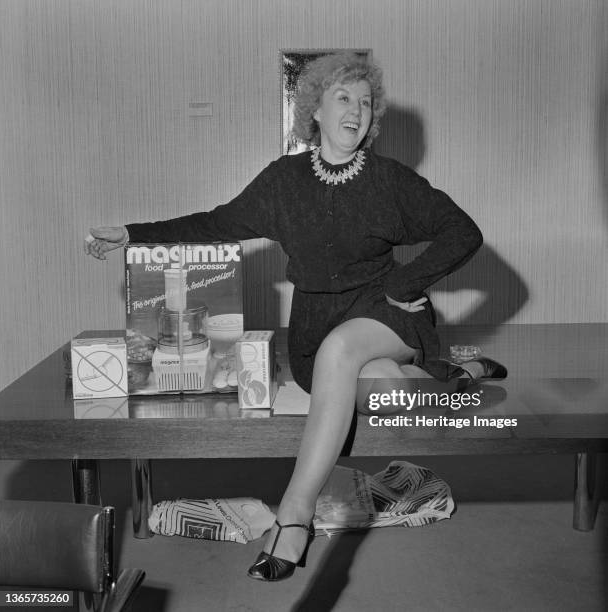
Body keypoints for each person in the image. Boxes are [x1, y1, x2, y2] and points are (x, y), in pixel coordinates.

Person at [85, 52, 506, 582]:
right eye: (343, 98)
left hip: (384, 313)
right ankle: (460, 377)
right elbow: (216, 224)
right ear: (316, 112)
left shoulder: (391, 182)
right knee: (386, 392)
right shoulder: (283, 182)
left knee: (343, 352)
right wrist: (132, 234)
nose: (356, 110)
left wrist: (405, 283)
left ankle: (294, 516)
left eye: (366, 101)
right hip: (314, 325)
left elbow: (462, 232)